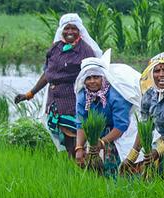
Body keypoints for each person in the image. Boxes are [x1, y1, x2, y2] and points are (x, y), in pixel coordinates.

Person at [15, 13, 101, 156]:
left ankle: (85, 170)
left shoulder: (85, 50)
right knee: (67, 141)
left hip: (74, 102)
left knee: (77, 140)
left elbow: (95, 77)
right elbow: (48, 74)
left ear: (80, 30)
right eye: (66, 28)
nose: (70, 32)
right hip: (55, 102)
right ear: (61, 30)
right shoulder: (56, 48)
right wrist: (30, 94)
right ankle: (75, 170)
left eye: (74, 28)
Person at [72, 51, 141, 176]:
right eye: (88, 78)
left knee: (118, 166)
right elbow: (81, 123)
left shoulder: (116, 95)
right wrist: (79, 147)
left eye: (96, 77)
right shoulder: (83, 96)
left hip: (120, 131)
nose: (92, 81)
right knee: (94, 168)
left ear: (103, 78)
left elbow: (121, 125)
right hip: (98, 132)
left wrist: (102, 142)